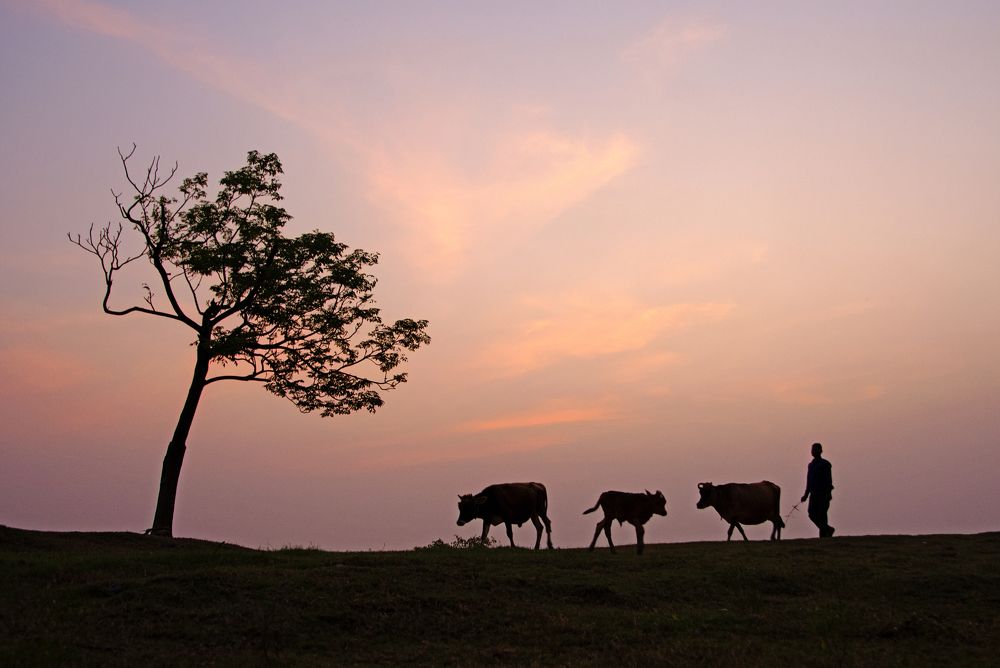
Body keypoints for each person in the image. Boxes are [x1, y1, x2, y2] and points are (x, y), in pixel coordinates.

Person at [801, 442, 835, 537]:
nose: (813, 451)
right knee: (811, 513)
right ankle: (827, 529)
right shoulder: (811, 465)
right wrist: (806, 495)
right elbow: (809, 481)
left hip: (823, 494)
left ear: (821, 451)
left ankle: (824, 535)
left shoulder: (825, 464)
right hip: (814, 494)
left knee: (822, 514)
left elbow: (829, 480)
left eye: (815, 449)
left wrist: (828, 493)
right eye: (812, 450)